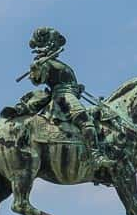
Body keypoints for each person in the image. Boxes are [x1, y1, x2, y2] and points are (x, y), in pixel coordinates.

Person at [7, 27, 114, 171]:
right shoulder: (44, 63)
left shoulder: (58, 63)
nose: (57, 46)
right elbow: (37, 80)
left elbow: (67, 81)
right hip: (62, 97)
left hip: (70, 94)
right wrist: (36, 69)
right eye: (54, 42)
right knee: (84, 119)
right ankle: (96, 156)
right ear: (48, 44)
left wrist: (76, 88)